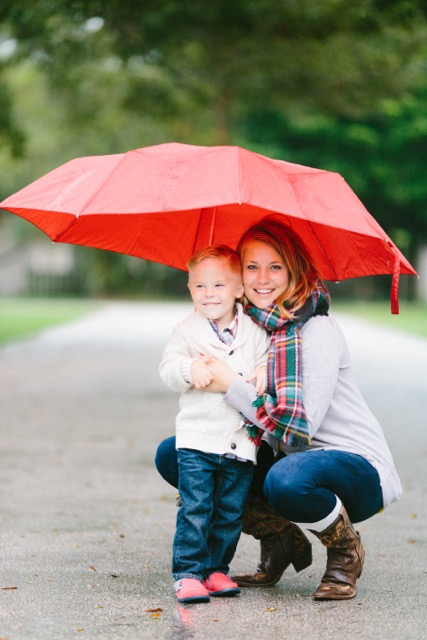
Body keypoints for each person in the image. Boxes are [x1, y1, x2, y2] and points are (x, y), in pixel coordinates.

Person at [155, 215, 402, 601]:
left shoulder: (316, 329)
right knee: (180, 453)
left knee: (287, 478)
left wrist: (227, 382)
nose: (262, 278)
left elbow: (298, 432)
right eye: (252, 267)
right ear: (239, 275)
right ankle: (280, 538)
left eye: (275, 266)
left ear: (294, 269)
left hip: (352, 466)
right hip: (288, 458)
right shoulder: (250, 328)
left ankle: (344, 552)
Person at [159, 244, 269, 604]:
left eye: (219, 286)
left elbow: (268, 359)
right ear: (190, 289)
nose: (209, 294)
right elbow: (168, 368)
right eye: (200, 286)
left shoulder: (253, 329)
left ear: (239, 288)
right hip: (198, 441)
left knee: (229, 512)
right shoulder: (187, 331)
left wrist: (265, 371)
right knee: (196, 507)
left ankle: (216, 568)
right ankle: (188, 571)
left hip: (241, 442)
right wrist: (187, 369)